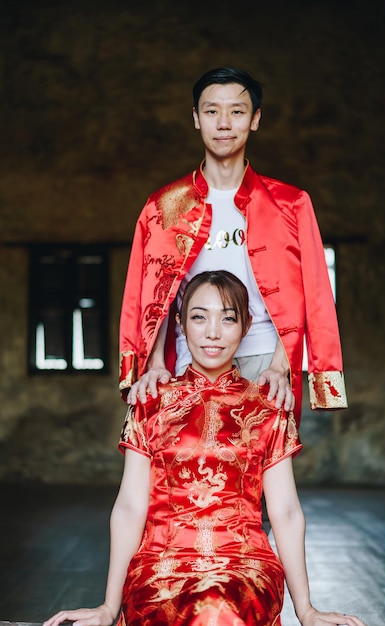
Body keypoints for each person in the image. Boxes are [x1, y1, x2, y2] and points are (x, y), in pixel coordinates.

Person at [44, 270, 366, 626]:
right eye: (199, 317)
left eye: (228, 318)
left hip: (245, 564)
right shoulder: (151, 404)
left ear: (246, 327)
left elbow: (286, 511)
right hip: (160, 562)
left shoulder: (268, 407)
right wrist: (108, 606)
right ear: (180, 324)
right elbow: (130, 508)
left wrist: (306, 610)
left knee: (217, 606)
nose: (213, 332)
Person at [119, 67, 347, 427]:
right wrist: (156, 366)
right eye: (211, 111)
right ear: (196, 118)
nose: (223, 123)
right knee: (190, 474)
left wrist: (279, 367)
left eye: (237, 112)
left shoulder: (291, 204)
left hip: (264, 360)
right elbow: (152, 294)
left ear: (255, 119)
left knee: (262, 477)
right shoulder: (164, 206)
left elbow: (311, 294)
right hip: (189, 360)